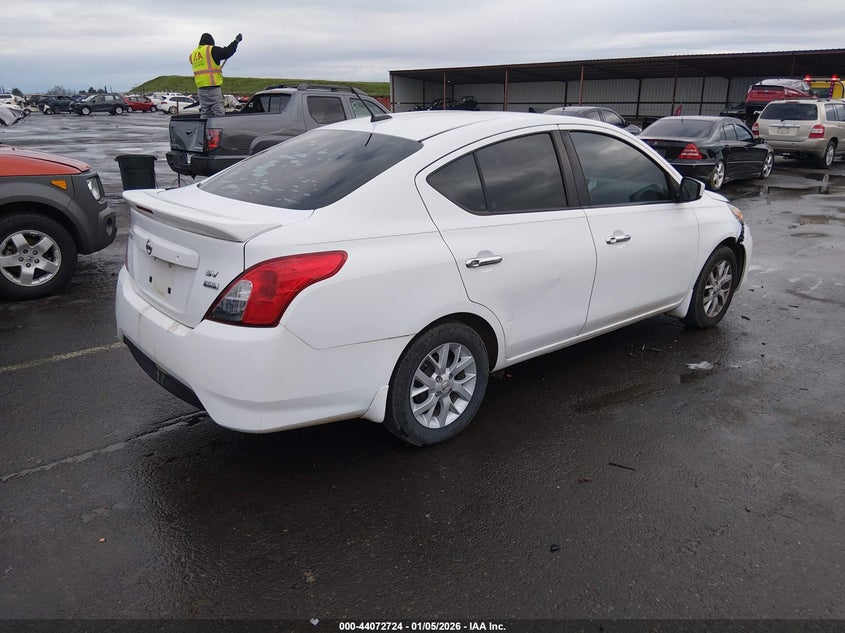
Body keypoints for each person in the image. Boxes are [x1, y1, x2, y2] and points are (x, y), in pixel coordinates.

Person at [189, 32, 242, 119]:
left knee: (205, 113)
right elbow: (227, 52)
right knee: (219, 114)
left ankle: (204, 131)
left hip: (201, 90)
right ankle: (218, 130)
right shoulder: (211, 50)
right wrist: (236, 41)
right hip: (213, 88)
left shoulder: (193, 55)